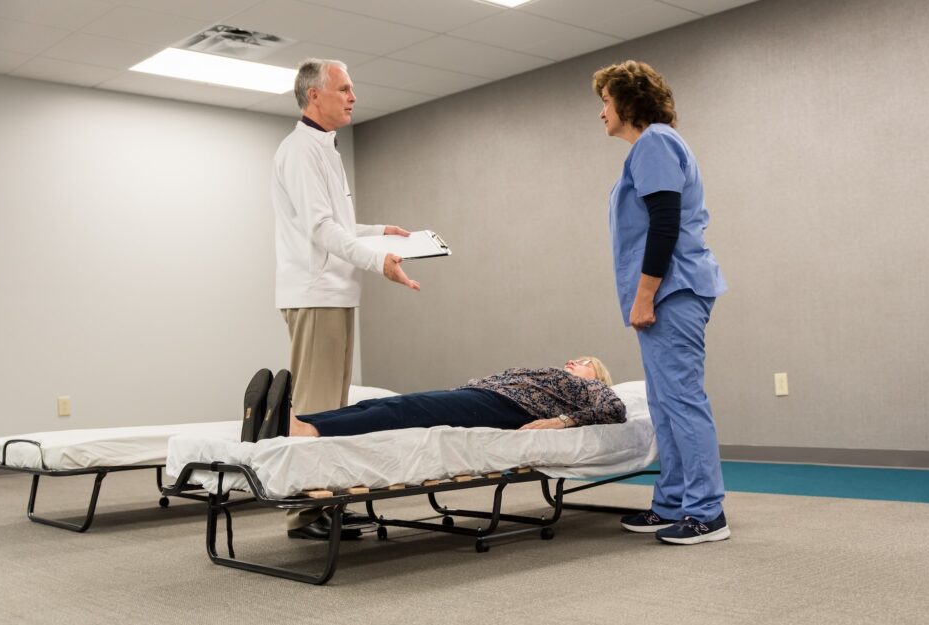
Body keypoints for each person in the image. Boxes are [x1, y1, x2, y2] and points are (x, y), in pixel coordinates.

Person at [272, 58, 419, 540]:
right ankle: (304, 513)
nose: (353, 97)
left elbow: (335, 224)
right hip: (316, 293)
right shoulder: (300, 150)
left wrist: (380, 232)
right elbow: (319, 229)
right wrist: (378, 261)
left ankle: (326, 503)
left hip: (335, 293)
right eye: (344, 89)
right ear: (314, 95)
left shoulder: (325, 148)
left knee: (332, 411)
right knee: (313, 409)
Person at [594, 61, 730, 545]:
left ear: (628, 101)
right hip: (668, 289)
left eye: (605, 102)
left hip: (672, 289)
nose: (601, 113)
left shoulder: (654, 143)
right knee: (664, 401)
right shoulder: (650, 148)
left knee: (681, 398)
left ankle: (707, 512)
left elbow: (665, 224)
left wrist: (645, 295)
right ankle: (672, 502)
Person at [290, 357, 625, 437]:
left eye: (585, 362)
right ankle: (300, 421)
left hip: (506, 407)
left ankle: (312, 430)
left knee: (404, 408)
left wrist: (560, 422)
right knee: (384, 404)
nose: (574, 362)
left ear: (598, 377)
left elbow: (615, 409)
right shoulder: (555, 376)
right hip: (478, 395)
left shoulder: (591, 390)